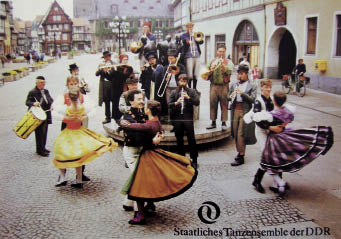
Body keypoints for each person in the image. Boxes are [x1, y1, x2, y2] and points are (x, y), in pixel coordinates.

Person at [120, 100, 197, 225]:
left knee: (138, 186)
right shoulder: (157, 122)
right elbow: (159, 132)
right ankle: (150, 206)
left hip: (147, 156)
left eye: (145, 107)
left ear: (148, 110)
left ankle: (140, 215)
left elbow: (133, 127)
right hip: (156, 153)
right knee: (151, 182)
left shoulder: (149, 125)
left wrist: (124, 123)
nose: (144, 108)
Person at [249, 91, 333, 196]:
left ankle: (276, 183)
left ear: (274, 101)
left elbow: (257, 119)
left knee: (268, 160)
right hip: (285, 135)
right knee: (275, 160)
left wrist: (270, 126)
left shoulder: (271, 115)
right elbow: (289, 119)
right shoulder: (288, 111)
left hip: (274, 139)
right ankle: (276, 183)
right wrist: (282, 125)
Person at [52, 76, 117, 188]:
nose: (73, 86)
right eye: (71, 84)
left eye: (75, 83)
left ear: (78, 85)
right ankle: (64, 176)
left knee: (80, 151)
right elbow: (54, 110)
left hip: (79, 127)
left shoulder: (83, 98)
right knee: (64, 150)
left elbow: (93, 108)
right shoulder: (63, 97)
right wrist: (64, 117)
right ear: (67, 85)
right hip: (67, 127)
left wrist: (85, 116)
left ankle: (79, 176)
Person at [120, 90, 147, 214]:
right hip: (131, 152)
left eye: (142, 99)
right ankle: (138, 209)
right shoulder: (127, 116)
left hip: (140, 150)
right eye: (138, 99)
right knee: (138, 178)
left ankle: (128, 202)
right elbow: (136, 135)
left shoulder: (143, 113)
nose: (142, 101)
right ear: (131, 101)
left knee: (136, 177)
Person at [168, 74, 200, 169]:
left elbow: (197, 102)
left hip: (187, 117)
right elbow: (169, 104)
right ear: (178, 82)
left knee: (191, 138)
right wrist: (176, 103)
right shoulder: (174, 92)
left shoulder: (191, 91)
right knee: (179, 139)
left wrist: (188, 98)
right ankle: (182, 159)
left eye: (184, 81)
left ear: (187, 82)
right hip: (177, 117)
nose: (182, 83)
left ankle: (194, 160)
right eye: (180, 81)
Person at [228, 64, 257, 166]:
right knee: (235, 132)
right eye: (238, 74)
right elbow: (228, 97)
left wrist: (242, 93)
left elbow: (253, 99)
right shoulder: (233, 85)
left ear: (246, 74)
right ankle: (240, 151)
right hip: (235, 110)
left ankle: (241, 156)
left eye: (241, 74)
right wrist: (231, 96)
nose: (239, 76)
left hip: (245, 111)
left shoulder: (252, 85)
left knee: (241, 133)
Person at [206, 45, 234, 130]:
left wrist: (223, 65)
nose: (221, 53)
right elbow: (206, 72)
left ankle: (223, 123)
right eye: (219, 51)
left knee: (224, 104)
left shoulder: (229, 62)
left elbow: (229, 71)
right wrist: (211, 69)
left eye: (223, 51)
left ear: (225, 52)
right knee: (212, 103)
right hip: (213, 85)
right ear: (217, 52)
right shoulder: (212, 61)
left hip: (224, 86)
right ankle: (213, 122)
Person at [25, 76, 54, 157]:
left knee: (44, 132)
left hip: (46, 113)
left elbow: (50, 99)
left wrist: (51, 105)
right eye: (41, 82)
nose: (43, 84)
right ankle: (39, 150)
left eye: (44, 82)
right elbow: (27, 102)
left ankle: (43, 147)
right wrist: (34, 103)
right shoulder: (32, 92)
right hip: (38, 115)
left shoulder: (46, 91)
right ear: (37, 83)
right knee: (39, 132)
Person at [154, 48, 185, 117]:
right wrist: (166, 78)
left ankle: (178, 118)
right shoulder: (165, 67)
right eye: (169, 58)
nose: (170, 60)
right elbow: (162, 79)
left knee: (178, 103)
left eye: (171, 58)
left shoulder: (181, 67)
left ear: (176, 58)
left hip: (177, 87)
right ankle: (171, 118)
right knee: (169, 103)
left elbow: (184, 77)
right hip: (168, 88)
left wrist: (177, 72)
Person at [107, 53, 134, 123]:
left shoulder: (129, 68)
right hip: (116, 89)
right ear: (121, 60)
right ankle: (116, 119)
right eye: (124, 60)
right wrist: (107, 71)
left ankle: (125, 118)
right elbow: (110, 77)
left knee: (124, 101)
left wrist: (116, 71)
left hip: (124, 88)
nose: (125, 61)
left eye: (126, 60)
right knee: (116, 103)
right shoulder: (117, 67)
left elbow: (124, 76)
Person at [180, 22, 203, 89]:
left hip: (197, 55)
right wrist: (188, 40)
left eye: (191, 27)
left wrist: (196, 37)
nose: (190, 28)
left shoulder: (195, 34)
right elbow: (184, 40)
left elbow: (201, 42)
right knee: (190, 74)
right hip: (188, 56)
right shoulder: (184, 35)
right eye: (188, 27)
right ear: (186, 28)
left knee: (196, 74)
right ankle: (189, 88)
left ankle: (195, 88)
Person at [96, 51, 115, 124]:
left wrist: (111, 70)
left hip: (113, 85)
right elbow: (96, 74)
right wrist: (101, 69)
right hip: (105, 86)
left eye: (108, 56)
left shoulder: (114, 63)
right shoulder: (101, 64)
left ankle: (115, 117)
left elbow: (117, 73)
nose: (107, 58)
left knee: (114, 102)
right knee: (107, 102)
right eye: (106, 57)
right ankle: (108, 117)